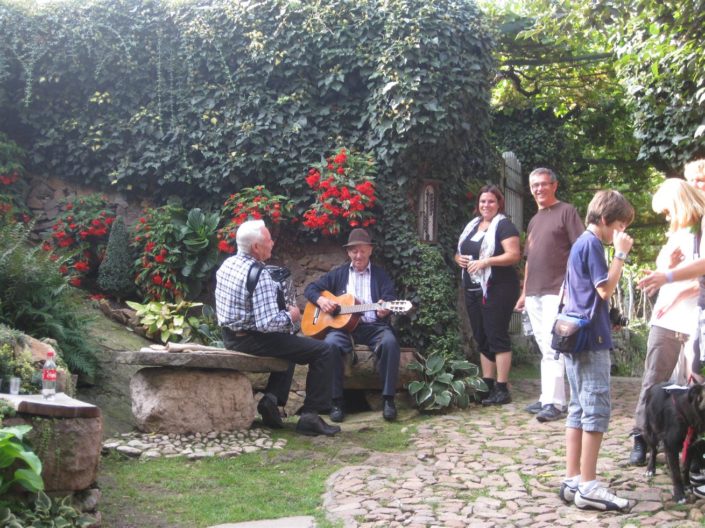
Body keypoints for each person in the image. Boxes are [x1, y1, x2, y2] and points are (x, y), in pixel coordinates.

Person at [215, 219, 341, 437]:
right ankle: (310, 416)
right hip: (253, 339)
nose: (272, 243)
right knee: (324, 351)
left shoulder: (227, 265)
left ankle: (271, 400)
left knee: (289, 342)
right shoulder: (260, 274)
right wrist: (291, 315)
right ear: (256, 247)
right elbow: (267, 324)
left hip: (231, 336)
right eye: (268, 239)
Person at [558, 190, 634, 512]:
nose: (622, 233)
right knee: (595, 410)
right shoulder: (592, 244)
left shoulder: (580, 244)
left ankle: (573, 478)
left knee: (578, 408)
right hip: (591, 342)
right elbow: (604, 289)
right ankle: (588, 486)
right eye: (619, 225)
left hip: (575, 336)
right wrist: (620, 255)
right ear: (604, 221)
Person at [628, 179, 703, 466]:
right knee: (653, 380)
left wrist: (677, 288)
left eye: (668, 211)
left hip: (693, 320)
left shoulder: (702, 229)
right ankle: (642, 437)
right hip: (666, 319)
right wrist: (664, 270)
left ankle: (690, 445)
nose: (667, 217)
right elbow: (664, 272)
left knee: (692, 386)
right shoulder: (675, 232)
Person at [304, 228, 401, 422]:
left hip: (374, 328)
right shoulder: (339, 274)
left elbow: (389, 298)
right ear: (348, 252)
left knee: (390, 343)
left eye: (362, 250)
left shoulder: (380, 275)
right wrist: (322, 302)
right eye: (354, 251)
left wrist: (386, 308)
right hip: (342, 329)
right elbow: (311, 289)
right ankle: (337, 402)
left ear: (370, 251)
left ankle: (388, 400)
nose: (358, 255)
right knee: (329, 345)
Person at [514, 168, 584, 422]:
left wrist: (572, 287)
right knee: (544, 347)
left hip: (557, 290)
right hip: (534, 292)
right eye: (535, 185)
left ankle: (556, 403)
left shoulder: (567, 212)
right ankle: (547, 397)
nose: (539, 189)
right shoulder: (534, 220)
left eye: (544, 184)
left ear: (555, 185)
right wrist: (524, 292)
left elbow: (580, 250)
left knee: (555, 347)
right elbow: (529, 260)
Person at [455, 184, 521, 405]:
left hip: (498, 287)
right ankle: (487, 385)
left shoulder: (504, 226)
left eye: (491, 201)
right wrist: (458, 259)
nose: (486, 205)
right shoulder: (473, 226)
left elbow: (513, 255)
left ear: (499, 203)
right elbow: (461, 252)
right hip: (473, 287)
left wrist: (487, 261)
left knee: (496, 335)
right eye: (483, 201)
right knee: (481, 336)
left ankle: (502, 388)